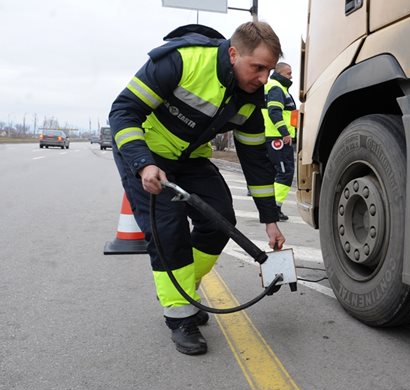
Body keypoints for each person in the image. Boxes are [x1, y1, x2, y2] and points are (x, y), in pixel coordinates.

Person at [108, 22, 286, 356]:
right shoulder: (182, 61)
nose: (264, 78)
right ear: (233, 54)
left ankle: (184, 290)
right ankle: (179, 316)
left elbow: (256, 162)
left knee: (220, 220)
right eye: (258, 68)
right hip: (145, 152)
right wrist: (143, 163)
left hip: (189, 159)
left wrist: (270, 219)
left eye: (270, 70)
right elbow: (123, 111)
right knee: (168, 227)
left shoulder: (249, 100)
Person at [262, 62, 297, 221]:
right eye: (288, 73)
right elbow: (274, 112)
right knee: (285, 173)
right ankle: (273, 209)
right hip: (278, 138)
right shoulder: (276, 88)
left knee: (280, 173)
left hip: (279, 137)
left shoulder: (280, 88)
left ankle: (274, 208)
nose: (291, 76)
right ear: (280, 73)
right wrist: (284, 133)